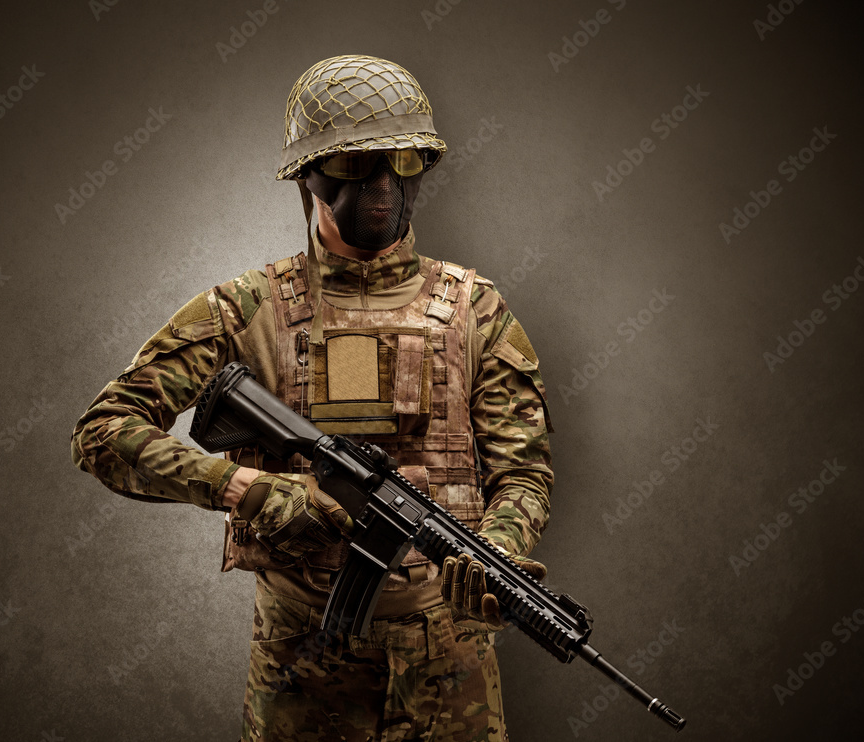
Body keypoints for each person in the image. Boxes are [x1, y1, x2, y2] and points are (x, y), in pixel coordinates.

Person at [71, 54, 554, 742]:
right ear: (309, 176)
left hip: (451, 667)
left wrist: (496, 550)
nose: (384, 185)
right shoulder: (246, 308)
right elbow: (103, 431)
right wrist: (245, 488)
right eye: (358, 167)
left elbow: (524, 472)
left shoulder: (476, 309)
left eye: (403, 162)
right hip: (303, 665)